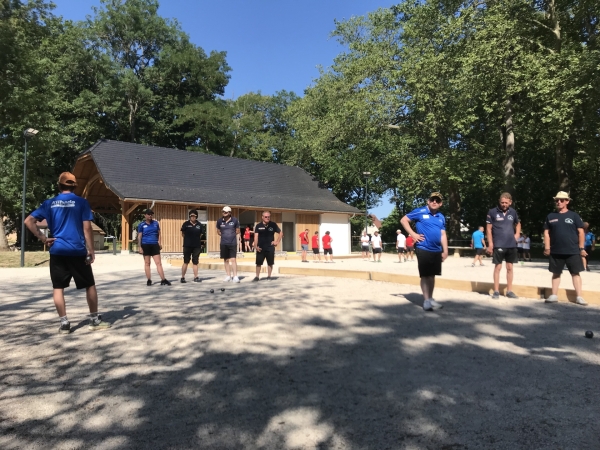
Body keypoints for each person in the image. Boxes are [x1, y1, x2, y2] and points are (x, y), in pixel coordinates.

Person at [24, 172, 111, 334]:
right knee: (89, 285)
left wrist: (43, 238)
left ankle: (64, 323)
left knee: (58, 287)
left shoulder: (49, 203)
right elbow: (86, 228)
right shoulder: (81, 203)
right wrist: (91, 250)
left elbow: (28, 221)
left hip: (57, 251)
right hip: (77, 251)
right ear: (75, 187)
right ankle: (94, 319)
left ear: (59, 185)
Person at [400, 191, 448, 311]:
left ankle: (431, 298)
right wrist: (413, 234)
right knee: (425, 275)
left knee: (432, 275)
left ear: (441, 203)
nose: (434, 202)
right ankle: (426, 300)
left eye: (437, 200)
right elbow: (404, 220)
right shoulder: (420, 211)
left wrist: (445, 250)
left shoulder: (441, 217)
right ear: (428, 201)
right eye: (432, 200)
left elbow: (443, 234)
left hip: (437, 250)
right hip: (423, 248)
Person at [543, 191, 587, 305]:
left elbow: (581, 233)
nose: (558, 202)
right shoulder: (550, 216)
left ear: (567, 201)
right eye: (557, 200)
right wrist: (547, 247)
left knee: (575, 273)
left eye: (561, 200)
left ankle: (579, 296)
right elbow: (546, 233)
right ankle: (553, 295)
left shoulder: (574, 216)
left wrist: (581, 248)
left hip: (572, 250)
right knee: (556, 273)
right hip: (556, 250)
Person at [486, 192, 520, 299]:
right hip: (499, 243)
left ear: (510, 202)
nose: (504, 204)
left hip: (511, 244)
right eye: (502, 202)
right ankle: (496, 291)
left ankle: (509, 291)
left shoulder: (513, 212)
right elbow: (488, 228)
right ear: (499, 202)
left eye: (506, 202)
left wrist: (517, 234)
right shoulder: (492, 212)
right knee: (498, 267)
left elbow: (518, 223)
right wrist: (490, 243)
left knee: (510, 267)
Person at [138, 209, 171, 286]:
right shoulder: (141, 225)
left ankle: (163, 279)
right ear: (145, 215)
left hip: (154, 244)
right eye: (148, 214)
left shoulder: (156, 223)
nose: (150, 216)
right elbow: (139, 236)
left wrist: (160, 243)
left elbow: (159, 234)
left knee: (158, 263)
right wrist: (140, 247)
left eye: (151, 214)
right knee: (147, 263)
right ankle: (149, 280)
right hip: (145, 244)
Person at [253, 211, 283, 280]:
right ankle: (257, 276)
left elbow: (281, 233)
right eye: (266, 217)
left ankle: (269, 276)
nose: (267, 218)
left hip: (270, 247)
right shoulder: (258, 226)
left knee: (270, 263)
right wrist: (255, 246)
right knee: (258, 263)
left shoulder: (273, 224)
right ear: (262, 217)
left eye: (268, 217)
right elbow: (256, 236)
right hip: (260, 247)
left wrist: (277, 241)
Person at [217, 206, 240, 283]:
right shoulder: (220, 221)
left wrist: (231, 235)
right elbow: (218, 231)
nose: (224, 213)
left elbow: (237, 230)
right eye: (223, 211)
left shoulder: (235, 220)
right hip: (223, 243)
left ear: (229, 213)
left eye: (226, 212)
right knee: (226, 260)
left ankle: (235, 276)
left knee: (233, 259)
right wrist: (224, 235)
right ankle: (228, 276)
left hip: (233, 243)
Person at [180, 210, 202, 283]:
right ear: (189, 216)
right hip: (187, 246)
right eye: (191, 216)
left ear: (196, 216)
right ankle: (182, 277)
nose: (193, 217)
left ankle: (196, 277)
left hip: (197, 246)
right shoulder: (185, 224)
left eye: (194, 216)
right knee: (186, 261)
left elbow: (201, 234)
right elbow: (183, 234)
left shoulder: (199, 225)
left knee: (195, 262)